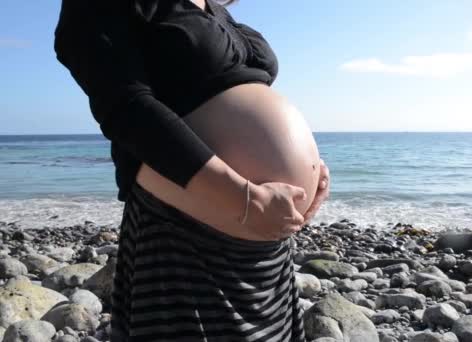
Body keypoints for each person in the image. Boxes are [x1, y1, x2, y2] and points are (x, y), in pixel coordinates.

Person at [53, 0, 331, 341]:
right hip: (185, 234)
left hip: (265, 246)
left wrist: (310, 172)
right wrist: (243, 196)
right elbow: (125, 109)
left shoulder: (215, 10)